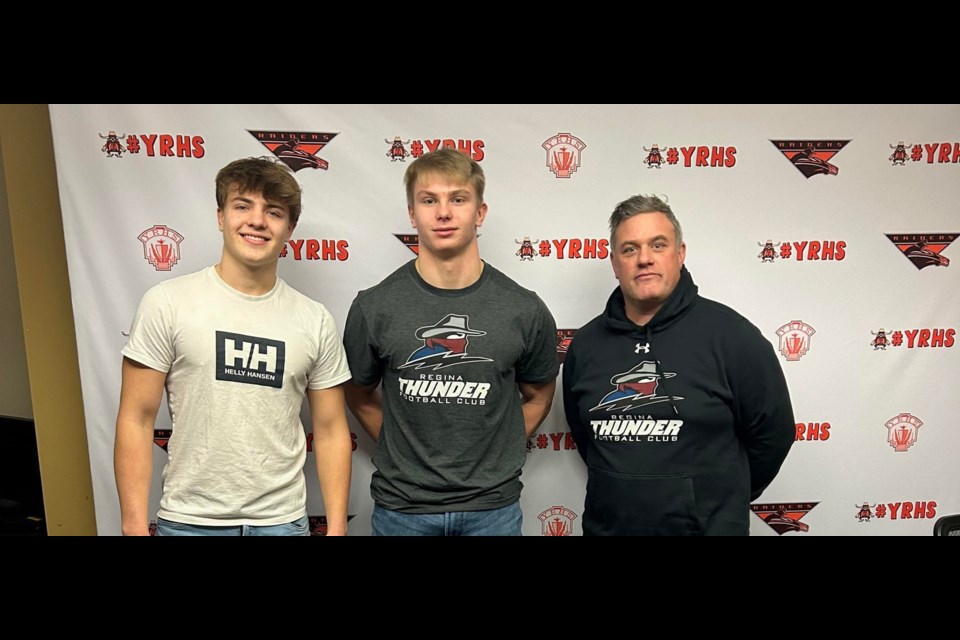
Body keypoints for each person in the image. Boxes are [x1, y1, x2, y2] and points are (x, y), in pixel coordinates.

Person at [114, 157, 353, 536]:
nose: (257, 221)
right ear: (220, 216)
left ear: (289, 228)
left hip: (282, 523)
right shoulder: (168, 303)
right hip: (190, 522)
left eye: (273, 212)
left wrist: (337, 528)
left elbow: (331, 430)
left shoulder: (315, 319)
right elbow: (135, 419)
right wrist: (132, 525)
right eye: (242, 206)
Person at [343, 147, 558, 536]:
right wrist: (399, 449)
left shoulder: (523, 309)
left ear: (480, 212)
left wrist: (501, 450)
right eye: (429, 200)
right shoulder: (374, 306)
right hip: (402, 510)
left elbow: (541, 394)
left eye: (458, 199)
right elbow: (357, 394)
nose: (443, 212)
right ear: (413, 213)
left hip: (493, 510)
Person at [562, 195, 795, 535]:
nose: (644, 259)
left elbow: (774, 435)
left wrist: (716, 500)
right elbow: (586, 438)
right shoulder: (586, 345)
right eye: (629, 249)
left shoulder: (732, 336)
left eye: (658, 245)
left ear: (680, 254)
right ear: (615, 263)